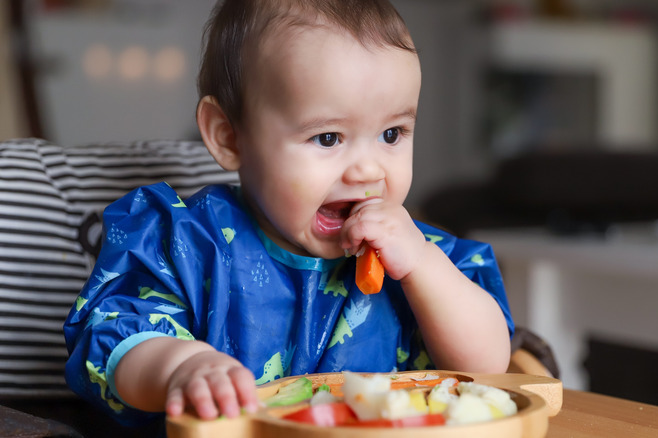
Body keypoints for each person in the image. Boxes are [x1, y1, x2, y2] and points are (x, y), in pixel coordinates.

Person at [63, 0, 514, 429]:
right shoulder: (187, 244)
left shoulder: (423, 257)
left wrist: (422, 265)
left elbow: (489, 366)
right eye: (327, 138)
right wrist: (183, 366)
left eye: (392, 134)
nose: (368, 169)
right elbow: (113, 341)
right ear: (229, 137)